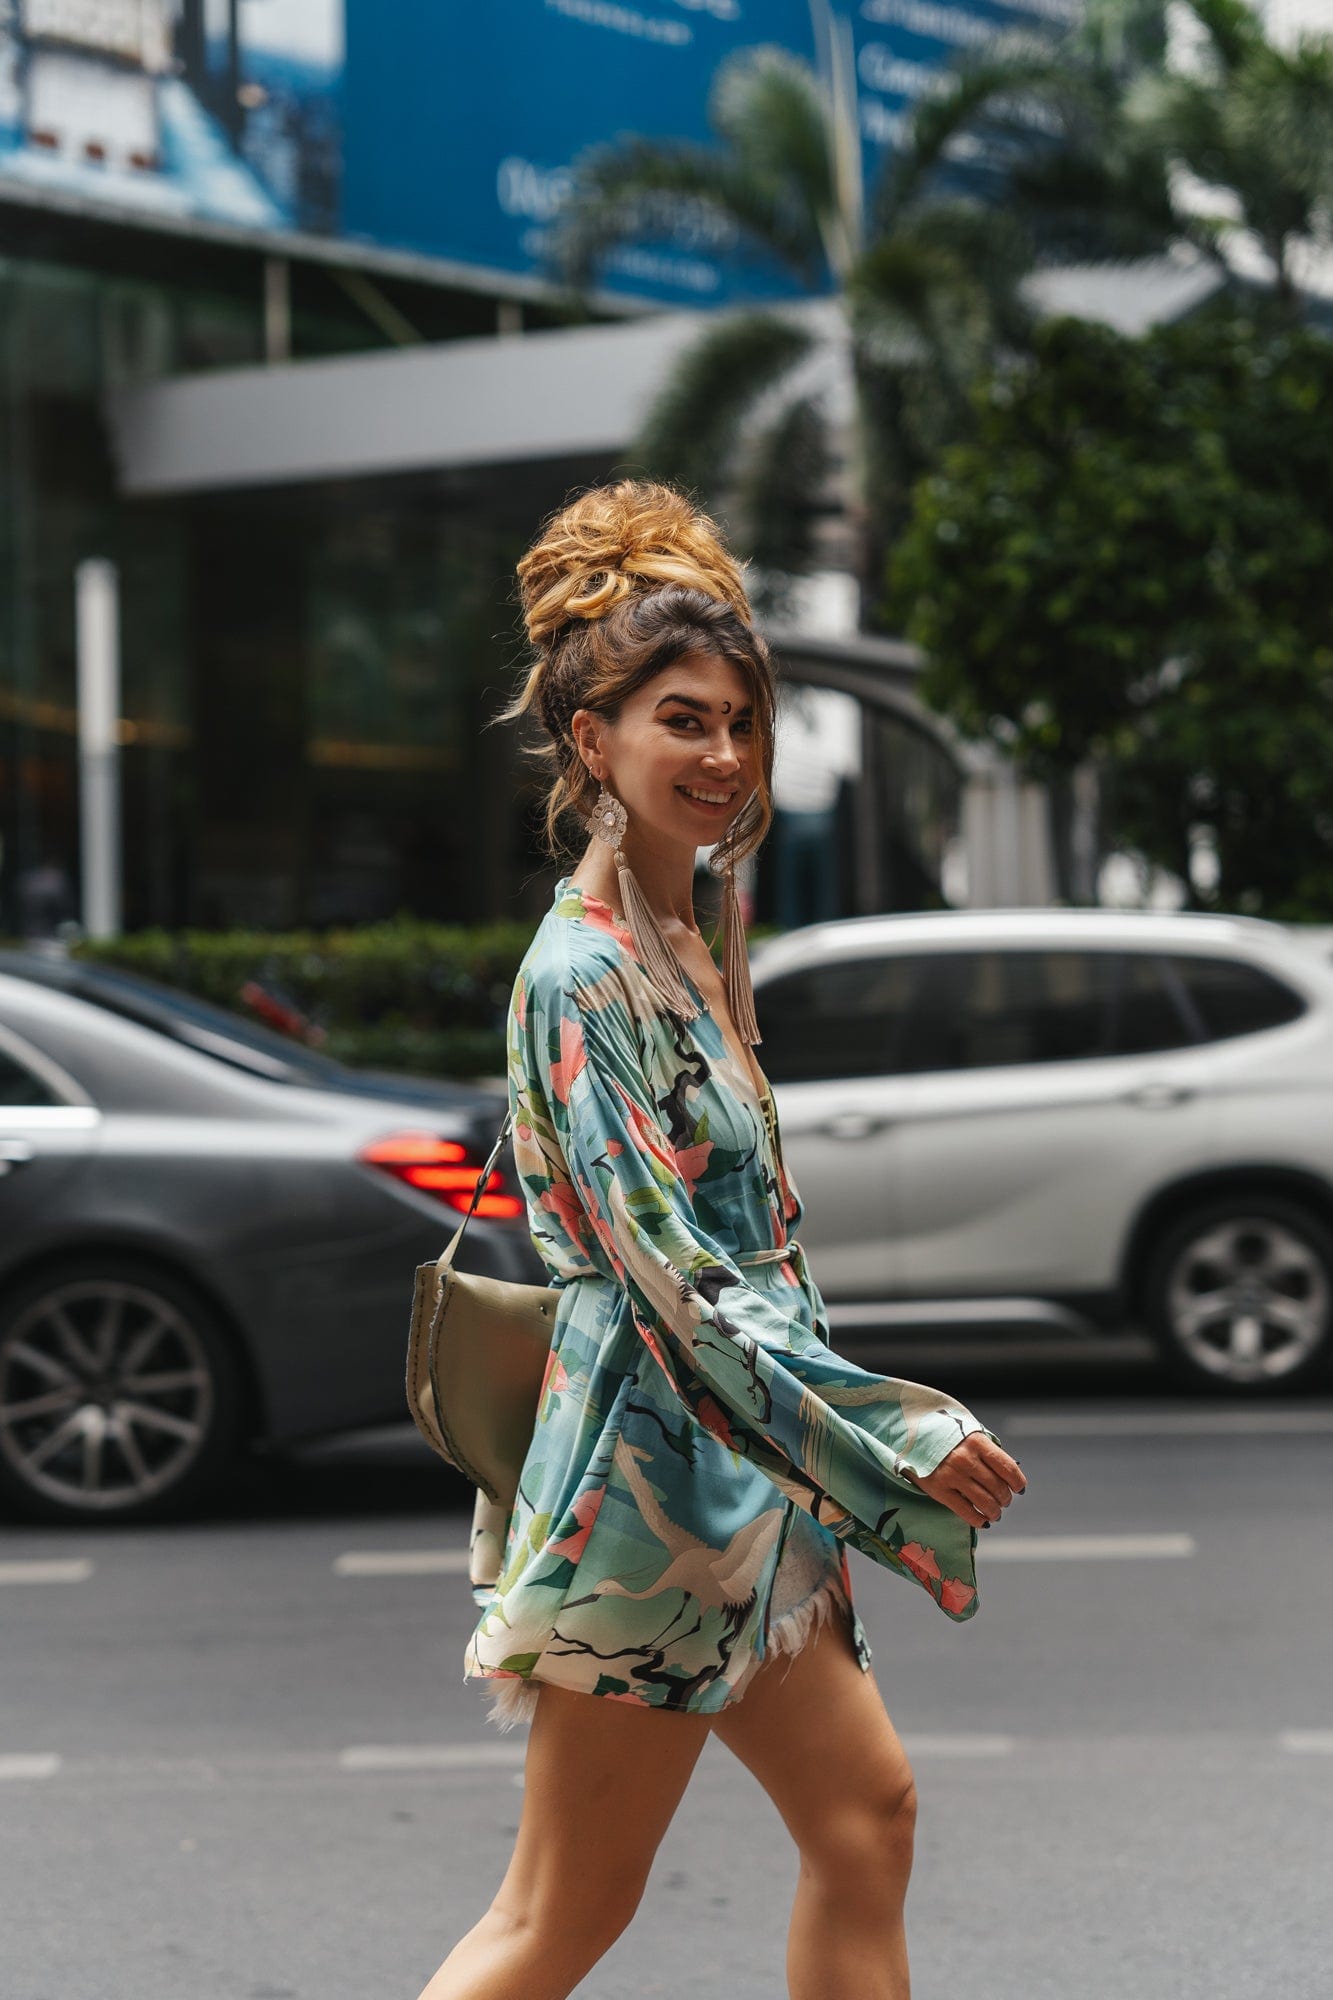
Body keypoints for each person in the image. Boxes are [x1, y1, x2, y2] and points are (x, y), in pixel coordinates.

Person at [417, 481, 1026, 2000]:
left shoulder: (687, 939)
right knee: (558, 1916)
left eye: (742, 723)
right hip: (649, 1496)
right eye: (680, 719)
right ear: (590, 741)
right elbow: (677, 1285)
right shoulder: (580, 977)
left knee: (862, 1818)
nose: (723, 756)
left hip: (741, 1488)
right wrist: (890, 1433)